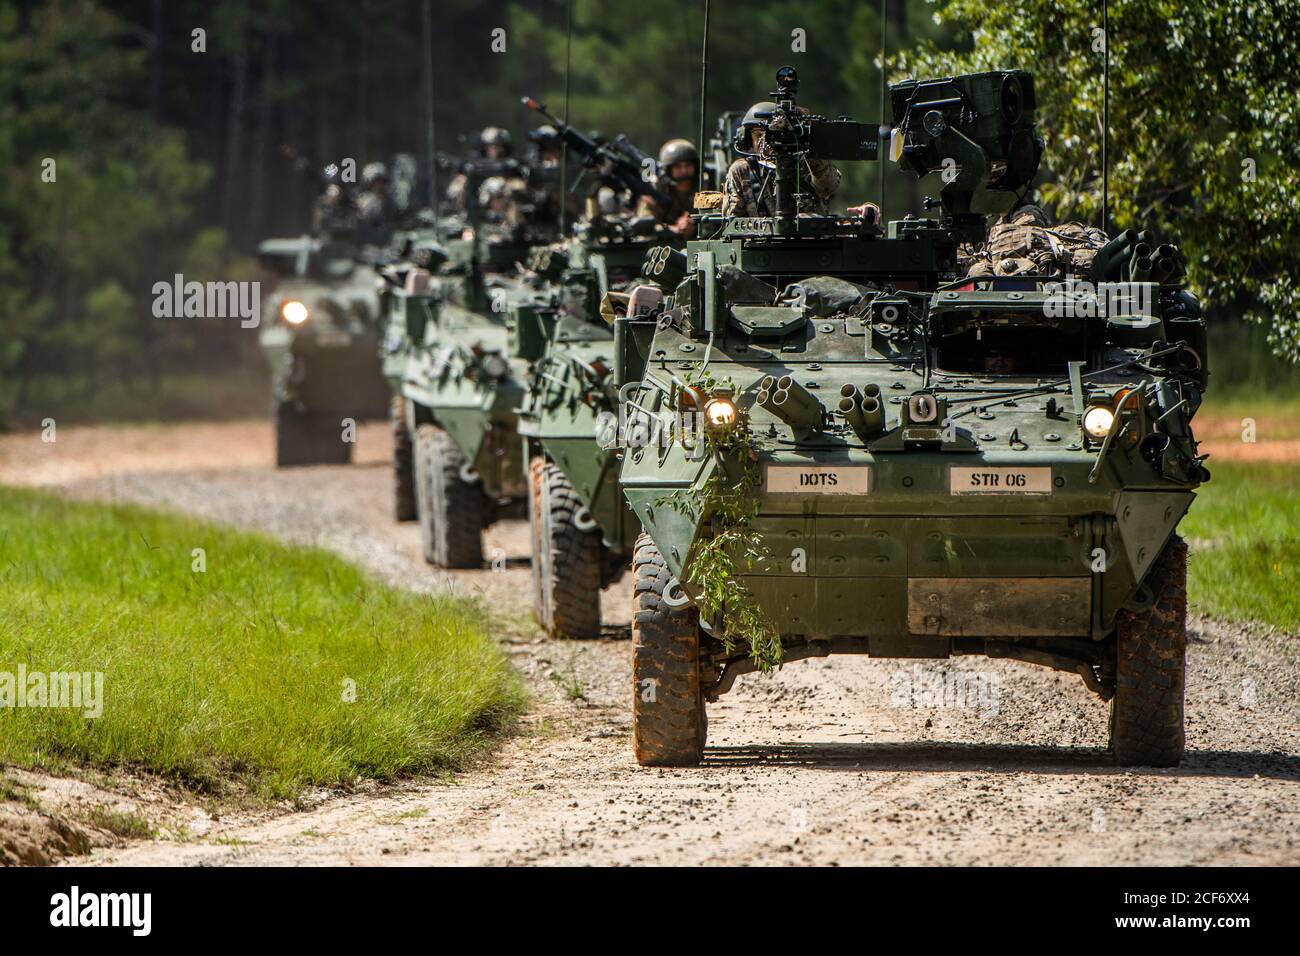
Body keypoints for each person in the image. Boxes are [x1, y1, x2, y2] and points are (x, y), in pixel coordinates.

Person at [722, 101, 879, 223]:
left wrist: (809, 139)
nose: (766, 143)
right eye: (758, 136)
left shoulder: (808, 163)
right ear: (747, 139)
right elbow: (732, 223)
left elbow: (827, 187)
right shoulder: (742, 171)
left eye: (771, 136)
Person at [637, 139, 700, 237]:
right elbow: (646, 222)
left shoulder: (705, 185)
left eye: (688, 165)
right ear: (668, 169)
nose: (684, 171)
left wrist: (695, 227)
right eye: (678, 167)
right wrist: (672, 229)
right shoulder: (656, 188)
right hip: (664, 244)